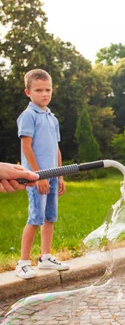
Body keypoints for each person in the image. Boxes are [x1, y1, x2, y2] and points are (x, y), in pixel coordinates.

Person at [15, 69, 69, 280]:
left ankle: (45, 257)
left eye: (48, 90)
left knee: (49, 217)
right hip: (36, 176)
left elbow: (56, 148)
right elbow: (27, 148)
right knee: (35, 217)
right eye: (39, 90)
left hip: (53, 175)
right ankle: (23, 263)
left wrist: (60, 174)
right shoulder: (28, 116)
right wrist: (40, 175)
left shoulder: (51, 117)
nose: (44, 94)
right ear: (28, 92)